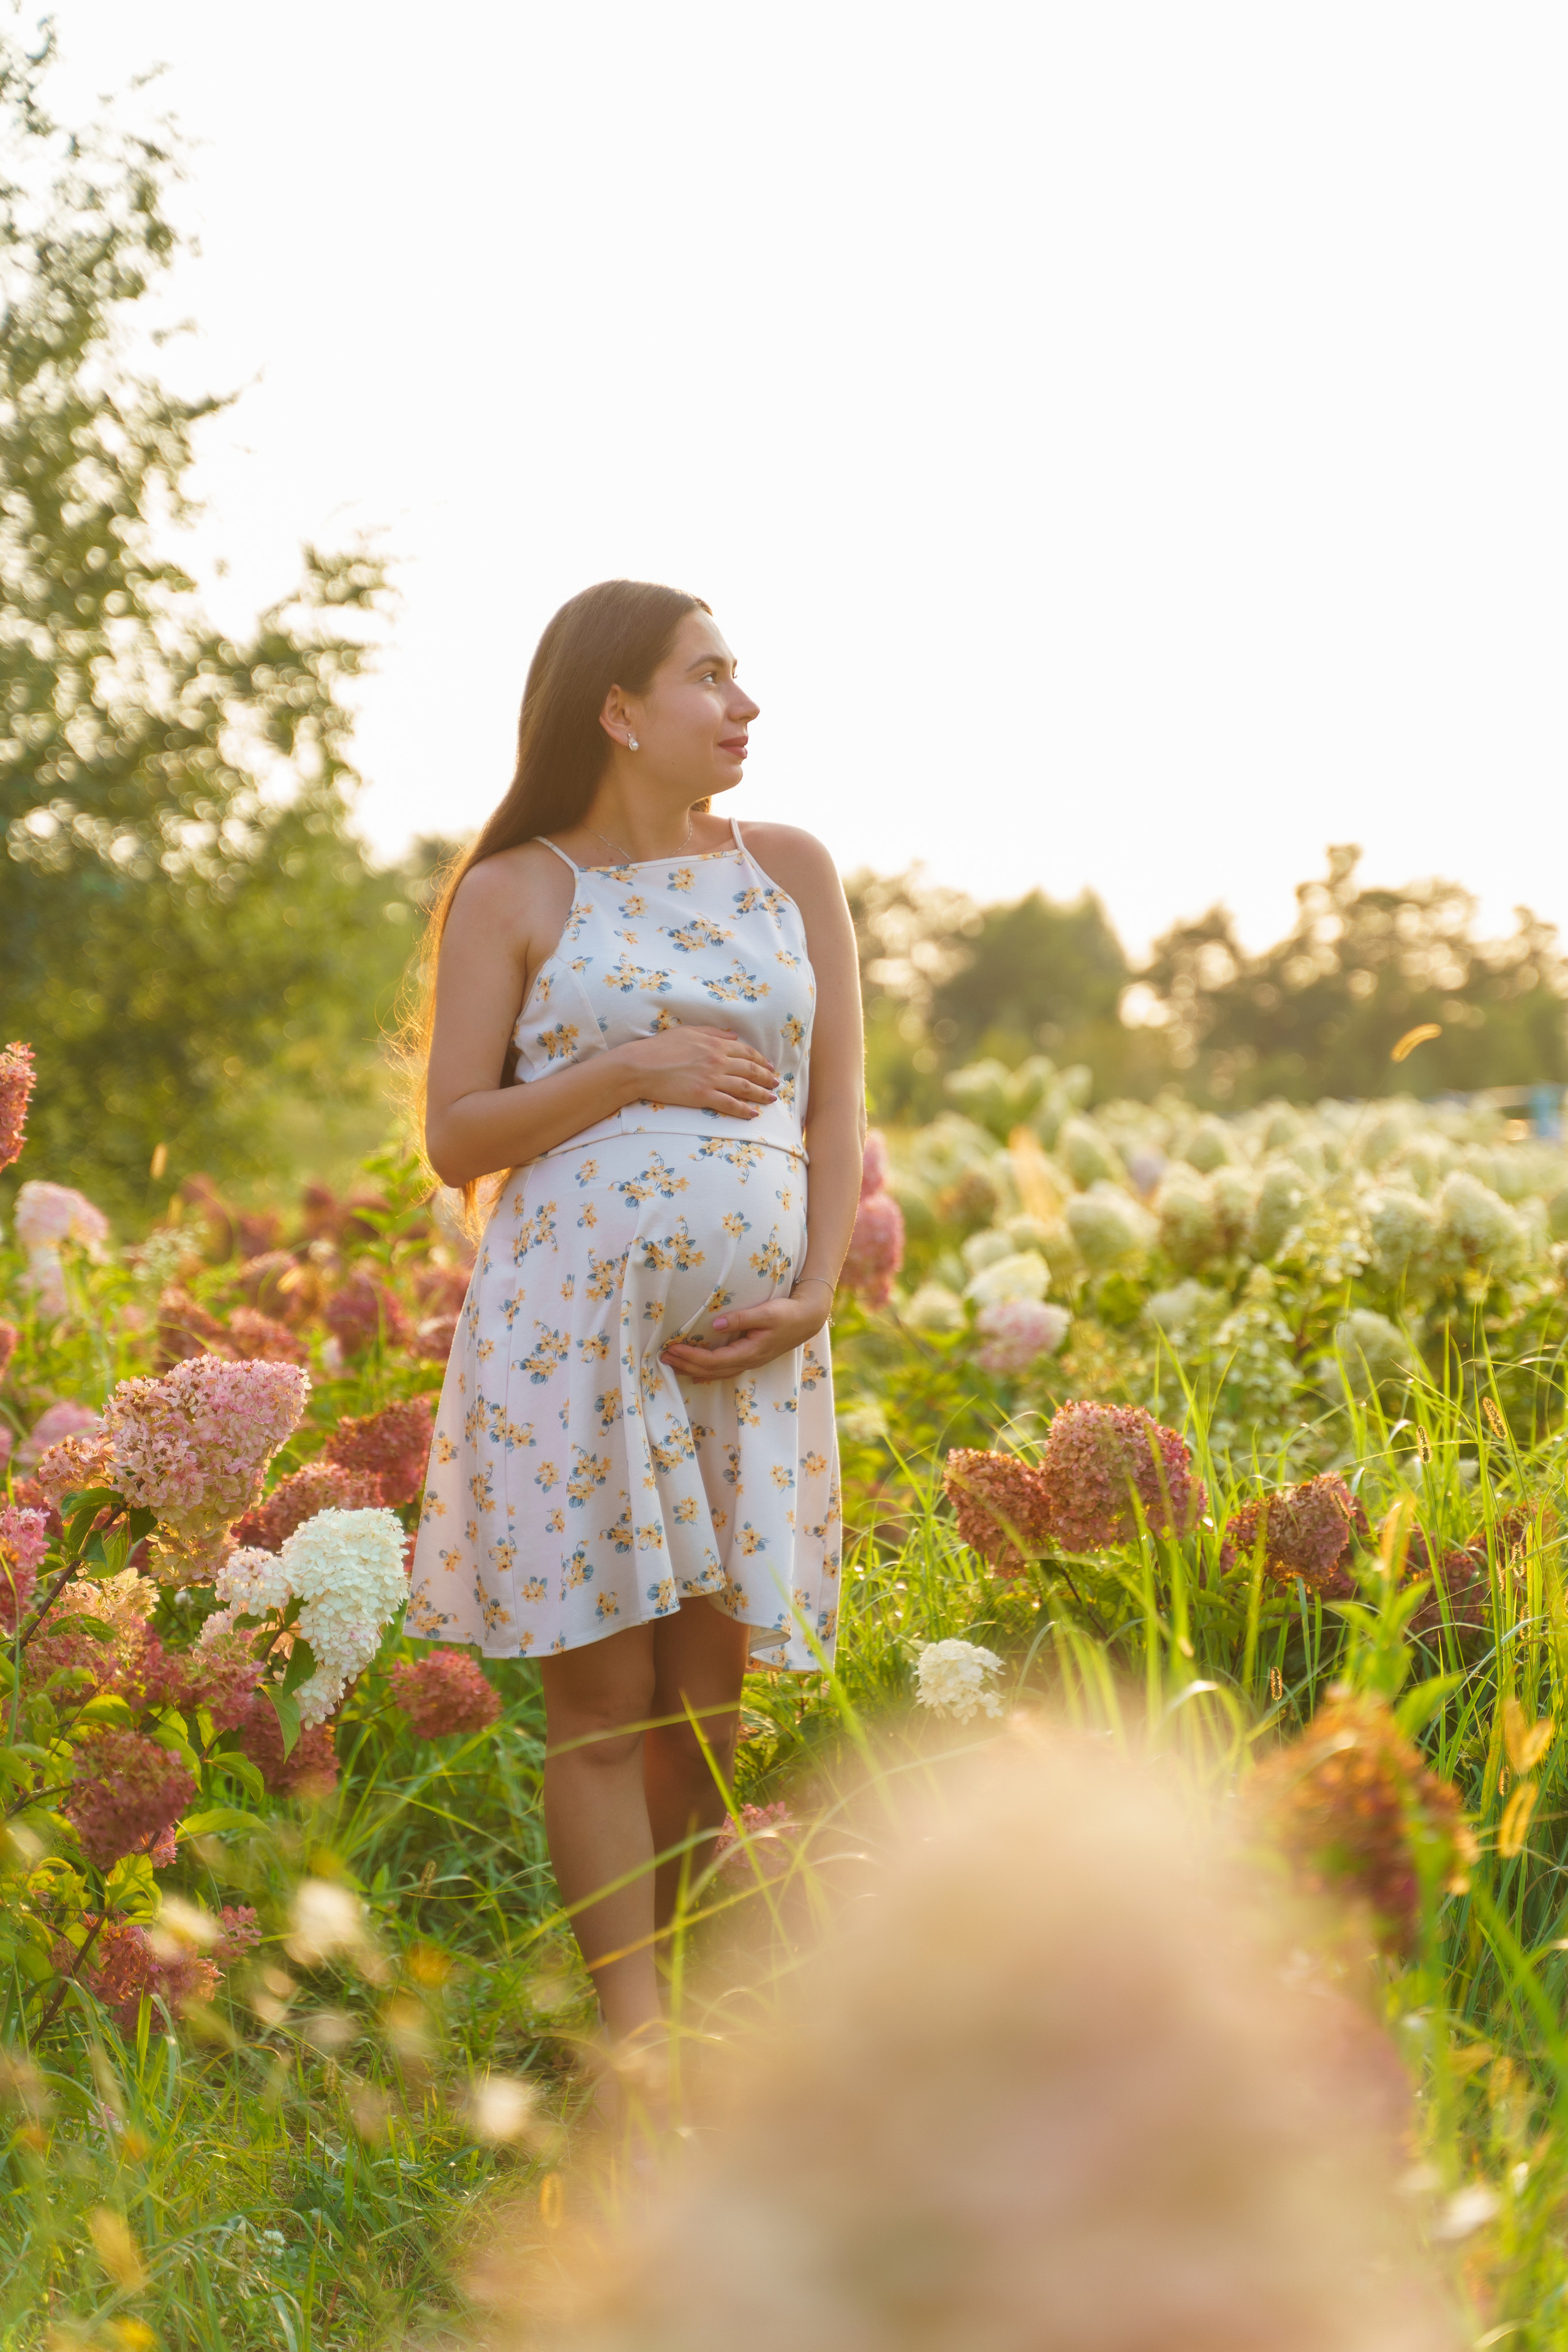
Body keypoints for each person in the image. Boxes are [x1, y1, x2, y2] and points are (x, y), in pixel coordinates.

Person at [409, 578, 864, 2064]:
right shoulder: (517, 890)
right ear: (617, 711)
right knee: (603, 1703)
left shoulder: (789, 869)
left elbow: (833, 1106)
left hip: (745, 1339)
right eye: (707, 677)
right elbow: (457, 1137)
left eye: (738, 678)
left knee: (706, 1705)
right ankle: (636, 2047)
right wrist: (633, 1072)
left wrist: (809, 1294)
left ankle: (696, 2007)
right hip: (568, 1337)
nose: (742, 705)